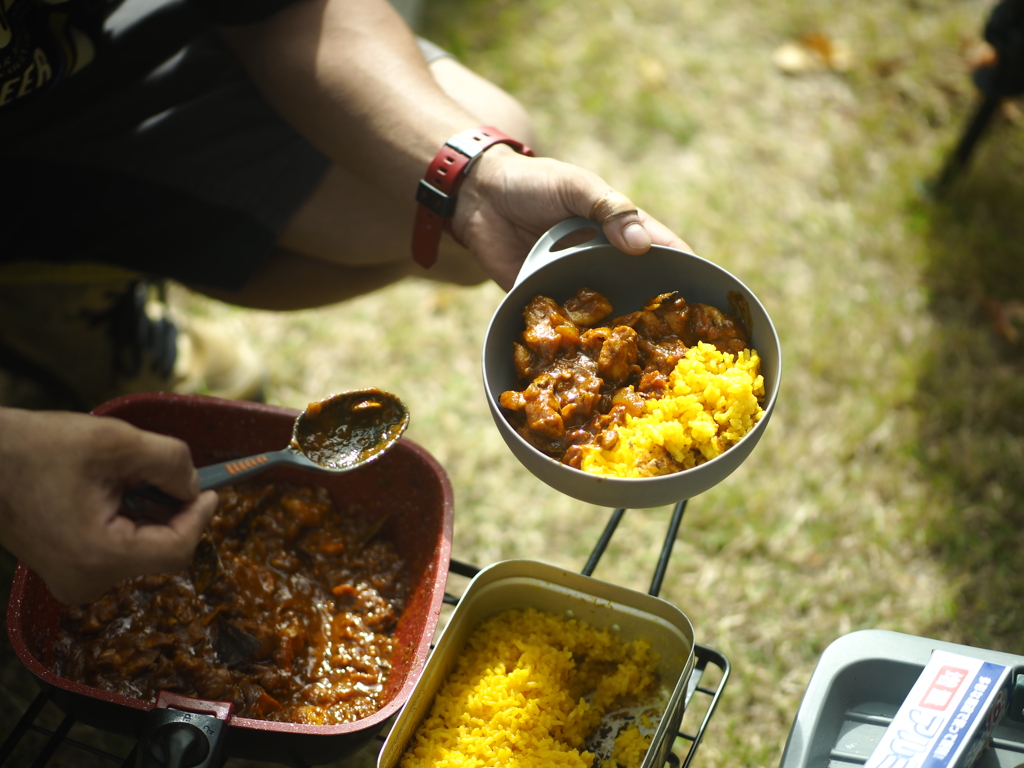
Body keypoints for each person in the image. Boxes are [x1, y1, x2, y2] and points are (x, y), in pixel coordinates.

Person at [0, 0, 690, 603]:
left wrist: (473, 177)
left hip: (71, 70)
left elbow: (286, 10)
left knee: (473, 159)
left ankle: (49, 290)